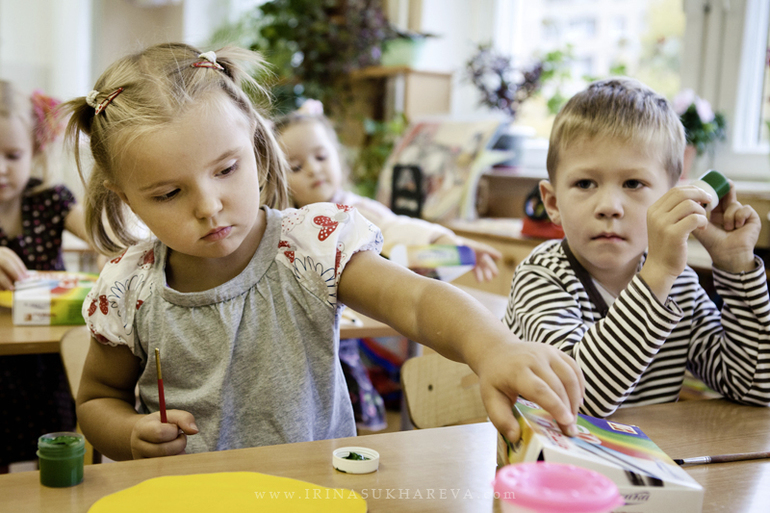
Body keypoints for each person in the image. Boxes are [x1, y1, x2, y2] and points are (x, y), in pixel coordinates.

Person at [62, 43, 583, 461]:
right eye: (169, 194)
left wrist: (491, 347)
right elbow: (96, 401)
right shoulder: (128, 288)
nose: (210, 206)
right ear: (122, 196)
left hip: (316, 494)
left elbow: (419, 303)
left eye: (226, 169)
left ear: (257, 145)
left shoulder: (311, 245)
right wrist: (128, 434)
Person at [504, 77, 770, 418]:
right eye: (585, 183)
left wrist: (736, 268)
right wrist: (657, 274)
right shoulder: (541, 277)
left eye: (633, 183)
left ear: (671, 198)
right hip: (549, 466)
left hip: (645, 464)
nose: (610, 206)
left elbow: (755, 385)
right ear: (553, 203)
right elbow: (579, 399)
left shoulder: (681, 284)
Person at [275, 100, 503, 430]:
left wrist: (454, 246)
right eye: (296, 166)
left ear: (339, 158)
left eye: (321, 157)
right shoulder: (282, 221)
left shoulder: (355, 210)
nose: (313, 169)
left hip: (360, 333)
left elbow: (400, 229)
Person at [0, 81, 89, 472]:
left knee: (52, 444)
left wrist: (112, 248)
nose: (1, 169)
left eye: (13, 155)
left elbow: (99, 233)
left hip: (48, 360)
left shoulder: (50, 199)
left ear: (35, 153)